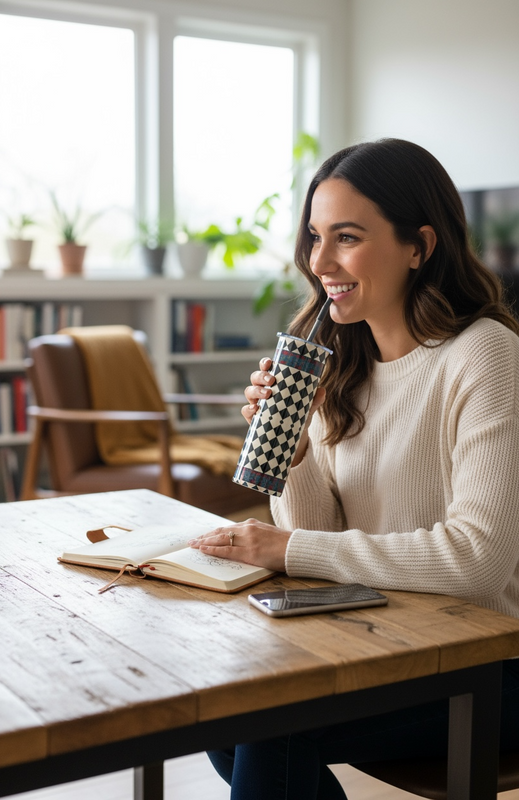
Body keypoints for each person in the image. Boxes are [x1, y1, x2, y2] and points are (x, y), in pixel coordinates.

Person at [188, 139, 519, 799]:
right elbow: (316, 538)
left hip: (486, 661)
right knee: (222, 706)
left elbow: (476, 563)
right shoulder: (340, 357)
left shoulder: (483, 354)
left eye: (346, 237)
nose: (319, 262)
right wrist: (297, 448)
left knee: (272, 728)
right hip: (378, 635)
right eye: (314, 237)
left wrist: (289, 546)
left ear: (418, 246)